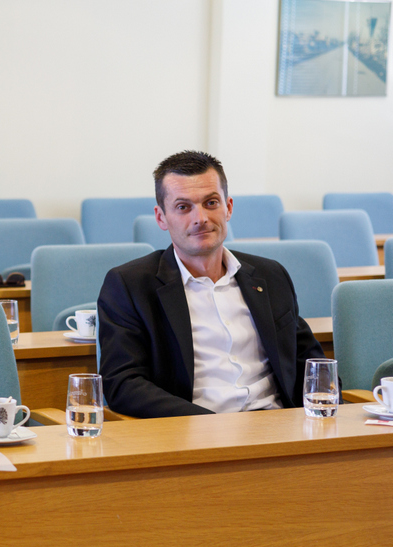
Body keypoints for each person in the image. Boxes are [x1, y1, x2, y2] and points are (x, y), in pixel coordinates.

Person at [98, 150, 329, 418]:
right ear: (161, 217)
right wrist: (207, 424)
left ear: (228, 207)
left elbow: (311, 364)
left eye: (211, 203)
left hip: (278, 426)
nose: (201, 218)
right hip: (192, 429)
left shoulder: (270, 276)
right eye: (183, 207)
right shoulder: (130, 285)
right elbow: (123, 384)